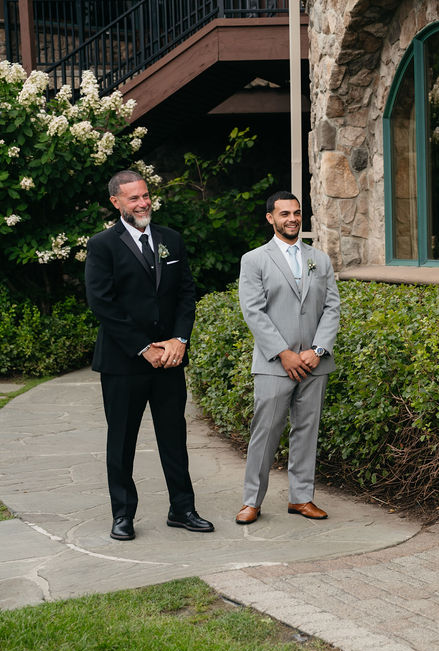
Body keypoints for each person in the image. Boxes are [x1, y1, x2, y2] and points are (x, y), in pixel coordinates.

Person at [85, 170, 214, 541]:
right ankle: (123, 514)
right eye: (134, 198)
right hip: (124, 362)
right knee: (121, 440)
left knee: (174, 436)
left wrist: (179, 340)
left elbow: (186, 293)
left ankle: (182, 509)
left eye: (145, 195)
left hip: (170, 359)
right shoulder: (102, 245)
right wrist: (144, 348)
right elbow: (102, 303)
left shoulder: (171, 239)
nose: (143, 203)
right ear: (116, 202)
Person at [235, 191, 340, 524]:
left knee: (307, 432)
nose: (292, 219)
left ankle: (301, 498)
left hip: (314, 363)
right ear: (271, 218)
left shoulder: (319, 259)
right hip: (274, 365)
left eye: (296, 213)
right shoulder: (254, 260)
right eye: (284, 214)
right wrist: (284, 353)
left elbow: (332, 307)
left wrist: (317, 350)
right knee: (265, 432)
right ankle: (252, 501)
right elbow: (253, 311)